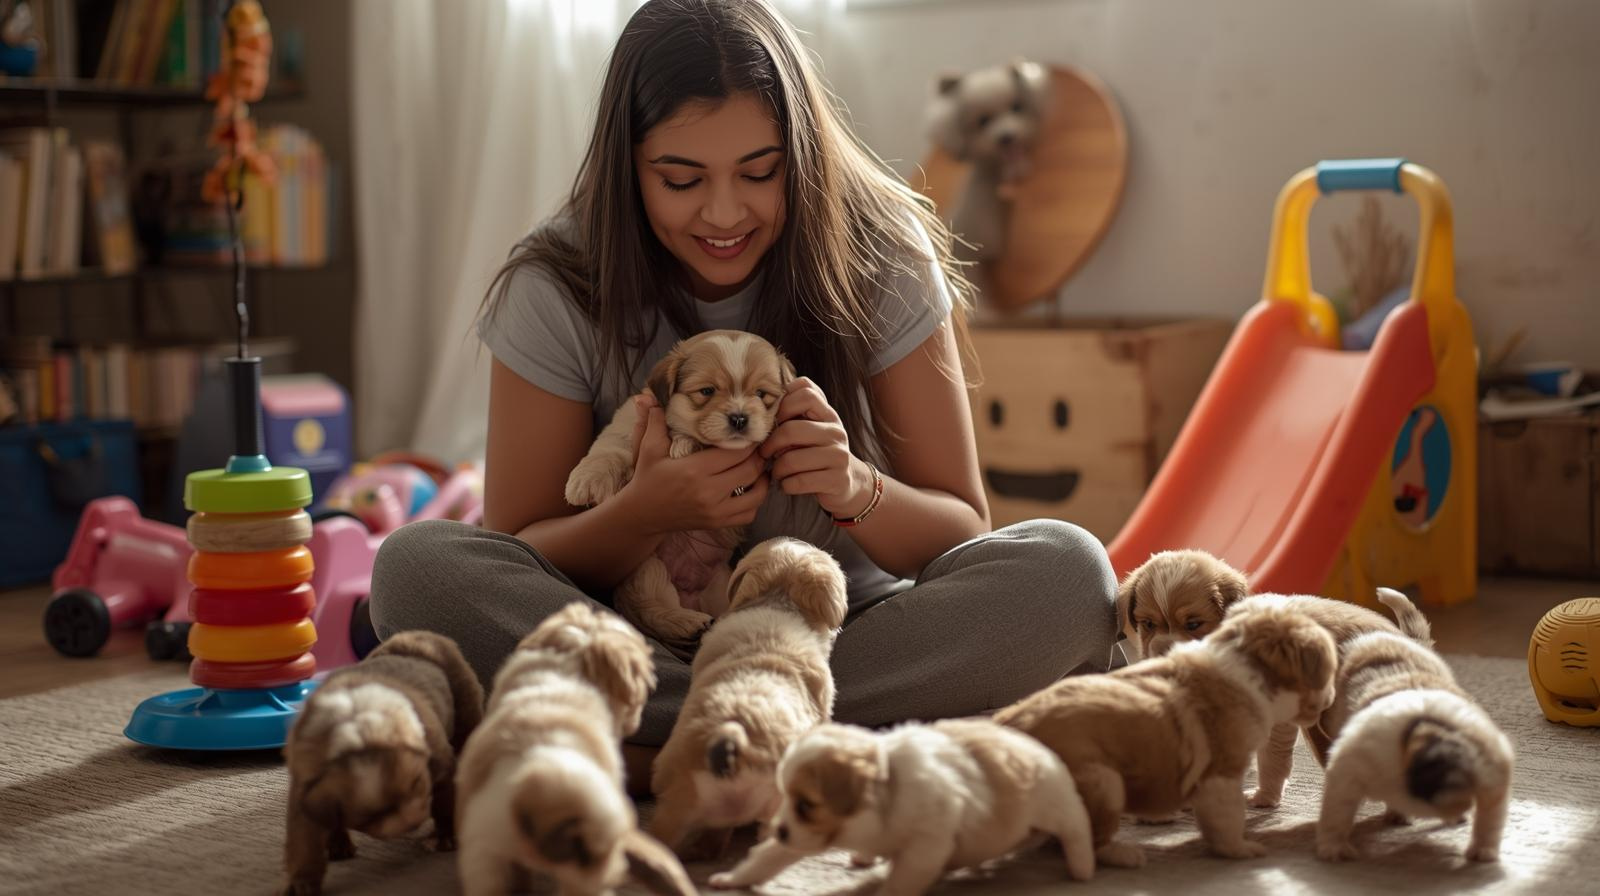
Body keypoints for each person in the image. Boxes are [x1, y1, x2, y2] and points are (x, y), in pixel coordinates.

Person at [369, 0, 1116, 754]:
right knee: (414, 568)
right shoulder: (559, 279)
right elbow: (521, 549)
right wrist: (643, 514)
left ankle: (659, 737)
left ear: (802, 156)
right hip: (627, 637)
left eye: (760, 172)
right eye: (680, 178)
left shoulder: (881, 251)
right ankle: (760, 730)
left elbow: (960, 530)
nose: (723, 212)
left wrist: (857, 489)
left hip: (839, 635)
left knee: (1068, 572)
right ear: (627, 167)